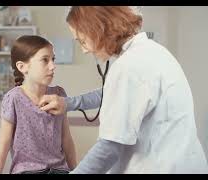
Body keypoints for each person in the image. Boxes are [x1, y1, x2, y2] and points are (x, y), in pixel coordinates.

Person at [39, 6, 208, 174]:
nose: (84, 50)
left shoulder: (129, 66)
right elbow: (113, 93)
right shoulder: (152, 52)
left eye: (82, 41)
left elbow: (110, 147)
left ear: (99, 29)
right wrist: (67, 103)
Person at [0, 35, 77, 174]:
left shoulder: (59, 95)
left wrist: (76, 171)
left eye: (53, 59)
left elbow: (66, 139)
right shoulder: (14, 98)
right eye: (45, 60)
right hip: (27, 171)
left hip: (59, 170)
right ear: (22, 67)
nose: (52, 66)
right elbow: (4, 145)